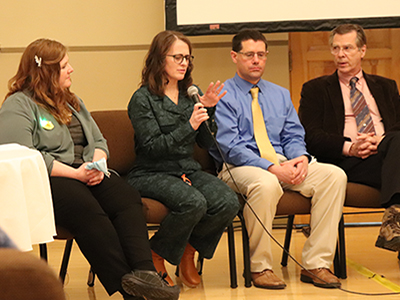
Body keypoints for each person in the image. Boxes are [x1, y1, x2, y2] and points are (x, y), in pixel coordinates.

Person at [0, 38, 180, 300]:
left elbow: (98, 140)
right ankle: (127, 288)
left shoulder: (72, 100)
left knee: (126, 196)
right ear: (46, 71)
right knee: (85, 208)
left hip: (85, 172)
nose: (71, 69)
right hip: (49, 179)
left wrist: (97, 162)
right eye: (64, 65)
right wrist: (74, 173)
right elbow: (21, 155)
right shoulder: (18, 105)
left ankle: (145, 275)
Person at [210, 29, 347, 289]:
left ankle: (316, 264)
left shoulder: (280, 94)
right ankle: (260, 267)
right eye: (249, 54)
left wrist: (300, 159)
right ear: (234, 56)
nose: (256, 60)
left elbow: (294, 135)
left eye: (261, 55)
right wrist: (272, 168)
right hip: (240, 167)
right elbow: (231, 148)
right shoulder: (223, 95)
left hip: (281, 162)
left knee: (334, 176)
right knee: (266, 183)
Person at [127, 30, 240, 288]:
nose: (183, 63)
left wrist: (209, 110)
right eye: (177, 57)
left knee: (228, 200)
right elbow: (153, 147)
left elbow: (206, 143)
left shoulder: (192, 93)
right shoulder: (142, 99)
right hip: (151, 172)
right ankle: (156, 254)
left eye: (187, 58)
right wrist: (188, 125)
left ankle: (188, 251)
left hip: (187, 169)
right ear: (159, 59)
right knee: (194, 202)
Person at [298, 24, 400, 252]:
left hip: (386, 154)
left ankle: (395, 216)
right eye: (335, 48)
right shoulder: (315, 89)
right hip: (346, 162)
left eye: (347, 48)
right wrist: (350, 148)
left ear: (362, 51)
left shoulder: (386, 86)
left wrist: (381, 141)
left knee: (396, 143)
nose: (340, 55)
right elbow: (311, 136)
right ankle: (394, 216)